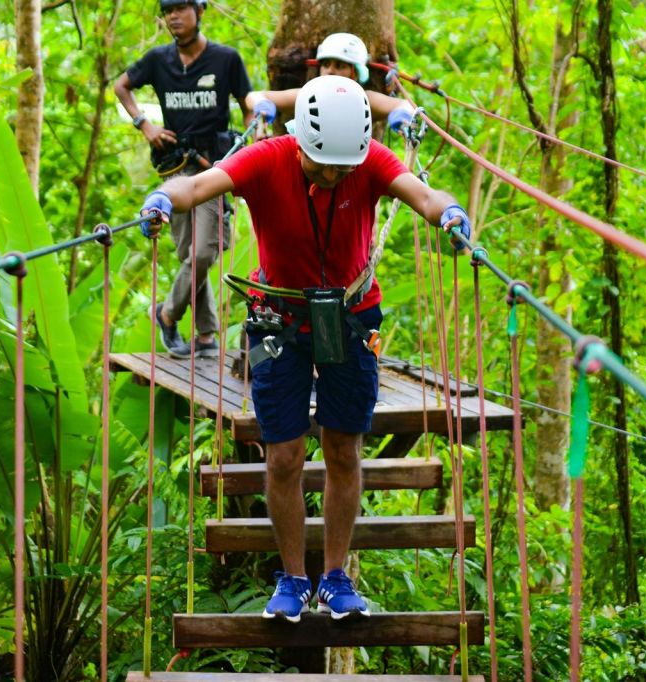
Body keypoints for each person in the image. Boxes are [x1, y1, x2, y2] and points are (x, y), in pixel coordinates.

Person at [138, 76, 471, 623]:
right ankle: (292, 578)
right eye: (323, 166)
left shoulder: (369, 160)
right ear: (301, 143)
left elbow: (426, 195)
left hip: (351, 317)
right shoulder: (265, 158)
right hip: (279, 321)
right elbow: (196, 187)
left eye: (343, 167)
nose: (334, 175)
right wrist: (160, 200)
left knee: (343, 449)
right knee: (284, 455)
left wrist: (451, 214)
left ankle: (335, 577)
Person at [114, 0, 253, 358]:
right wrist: (144, 125)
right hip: (175, 166)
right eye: (167, 10)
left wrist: (253, 143)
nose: (173, 16)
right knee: (188, 253)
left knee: (204, 251)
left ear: (200, 10)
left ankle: (166, 313)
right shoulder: (158, 60)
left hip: (212, 167)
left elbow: (248, 105)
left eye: (180, 7)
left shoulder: (226, 59)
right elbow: (121, 86)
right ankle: (206, 336)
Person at [245, 32, 416, 134]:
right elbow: (254, 96)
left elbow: (405, 105)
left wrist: (402, 116)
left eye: (340, 66)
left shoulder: (364, 101)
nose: (330, 71)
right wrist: (262, 105)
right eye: (326, 64)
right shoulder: (308, 96)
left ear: (355, 73)